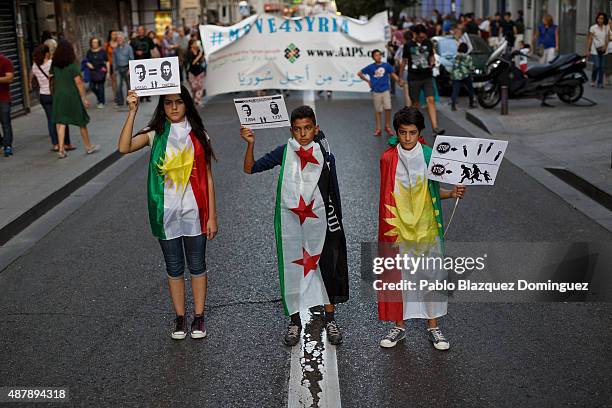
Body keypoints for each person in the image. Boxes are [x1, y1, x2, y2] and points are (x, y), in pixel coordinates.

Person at [239, 106, 349, 347]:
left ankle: (330, 318)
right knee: (293, 267)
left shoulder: (326, 156)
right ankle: (295, 321)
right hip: (292, 221)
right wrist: (250, 144)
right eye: (297, 129)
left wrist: (337, 222)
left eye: (307, 128)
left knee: (325, 265)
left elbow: (334, 191)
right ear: (291, 131)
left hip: (321, 220)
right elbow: (250, 168)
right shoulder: (284, 152)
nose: (303, 134)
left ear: (316, 129)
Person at [117, 87, 217, 340]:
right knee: (174, 268)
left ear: (187, 105)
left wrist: (212, 216)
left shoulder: (199, 134)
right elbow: (124, 147)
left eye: (179, 102)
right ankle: (180, 318)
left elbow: (208, 176)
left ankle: (199, 317)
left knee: (197, 265)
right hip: (166, 214)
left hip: (196, 213)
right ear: (162, 107)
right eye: (168, 103)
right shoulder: (155, 134)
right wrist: (132, 111)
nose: (173, 107)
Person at [377, 107, 465, 350]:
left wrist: (452, 193)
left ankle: (433, 327)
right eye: (403, 133)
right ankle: (399, 326)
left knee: (430, 276)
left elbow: (435, 192)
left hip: (426, 228)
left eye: (412, 133)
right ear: (396, 132)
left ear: (420, 133)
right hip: (398, 228)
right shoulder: (387, 158)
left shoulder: (430, 155)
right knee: (400, 276)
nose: (407, 138)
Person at [51, 40, 99, 158]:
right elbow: (78, 83)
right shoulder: (72, 66)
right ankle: (88, 146)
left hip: (59, 96)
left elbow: (51, 80)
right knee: (81, 121)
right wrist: (84, 98)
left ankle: (61, 150)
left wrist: (54, 93)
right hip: (72, 96)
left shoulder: (54, 65)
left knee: (61, 123)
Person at [399, 24, 445, 137]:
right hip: (413, 78)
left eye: (423, 37)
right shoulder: (408, 45)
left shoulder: (428, 43)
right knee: (415, 104)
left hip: (427, 77)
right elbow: (404, 62)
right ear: (414, 34)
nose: (422, 39)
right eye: (420, 37)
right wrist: (400, 78)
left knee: (431, 99)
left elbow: (431, 56)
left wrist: (432, 62)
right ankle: (415, 129)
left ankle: (435, 127)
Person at [30, 45, 73, 151]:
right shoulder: (52, 64)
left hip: (43, 95)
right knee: (62, 118)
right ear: (46, 53)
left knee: (51, 120)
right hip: (55, 94)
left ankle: (55, 144)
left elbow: (31, 77)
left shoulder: (35, 65)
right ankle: (66, 143)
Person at [358, 49, 402, 137]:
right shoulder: (371, 67)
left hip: (385, 89)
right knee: (378, 110)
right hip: (376, 91)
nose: (378, 57)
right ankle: (378, 128)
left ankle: (387, 126)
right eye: (376, 55)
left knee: (388, 108)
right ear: (373, 57)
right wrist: (368, 81)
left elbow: (392, 73)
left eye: (379, 55)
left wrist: (399, 81)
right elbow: (359, 73)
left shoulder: (386, 65)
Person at [131, 26, 155, 102]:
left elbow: (153, 49)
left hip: (147, 61)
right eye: (139, 30)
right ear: (137, 31)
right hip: (137, 62)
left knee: (147, 79)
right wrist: (136, 52)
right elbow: (131, 51)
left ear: (144, 31)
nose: (141, 31)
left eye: (142, 30)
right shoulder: (134, 40)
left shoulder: (149, 39)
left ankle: (148, 96)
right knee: (139, 79)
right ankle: (141, 95)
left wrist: (155, 59)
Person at [450, 42, 476, 111]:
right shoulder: (468, 57)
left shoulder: (455, 56)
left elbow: (453, 65)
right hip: (465, 74)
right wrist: (473, 69)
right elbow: (470, 67)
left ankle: (453, 105)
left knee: (455, 90)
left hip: (456, 75)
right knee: (470, 89)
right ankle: (471, 103)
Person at [587, 12, 609, 88]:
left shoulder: (606, 27)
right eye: (599, 18)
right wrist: (588, 50)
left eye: (602, 18)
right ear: (597, 19)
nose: (600, 20)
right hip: (594, 49)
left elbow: (607, 39)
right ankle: (593, 79)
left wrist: (605, 47)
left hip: (603, 49)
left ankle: (600, 83)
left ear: (604, 19)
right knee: (596, 66)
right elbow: (589, 39)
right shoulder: (593, 27)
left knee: (602, 67)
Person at [86, 37, 109, 108]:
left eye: (96, 42)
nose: (94, 43)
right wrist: (88, 64)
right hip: (93, 71)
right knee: (92, 87)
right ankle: (99, 97)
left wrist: (108, 72)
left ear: (98, 43)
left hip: (101, 70)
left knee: (100, 86)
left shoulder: (103, 51)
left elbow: (107, 61)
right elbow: (86, 61)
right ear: (91, 43)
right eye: (93, 42)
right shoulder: (89, 52)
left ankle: (101, 102)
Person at [112, 32, 134, 107]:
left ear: (124, 39)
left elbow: (132, 59)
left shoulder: (129, 48)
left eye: (121, 38)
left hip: (127, 68)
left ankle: (129, 101)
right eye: (118, 39)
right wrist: (114, 70)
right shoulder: (115, 49)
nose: (119, 40)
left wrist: (130, 69)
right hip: (118, 69)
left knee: (129, 86)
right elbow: (114, 60)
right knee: (118, 86)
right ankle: (120, 102)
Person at [0, 51, 14, 157]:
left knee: (5, 123)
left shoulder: (5, 61)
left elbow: (10, 78)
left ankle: (7, 146)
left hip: (3, 98)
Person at [185, 40, 206, 106]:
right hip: (192, 72)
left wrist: (202, 56)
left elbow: (201, 60)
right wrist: (199, 56)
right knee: (194, 88)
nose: (196, 44)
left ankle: (197, 100)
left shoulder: (199, 51)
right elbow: (192, 63)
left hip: (199, 71)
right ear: (191, 45)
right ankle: (195, 100)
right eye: (195, 43)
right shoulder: (189, 52)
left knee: (199, 87)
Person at [105, 30, 118, 105]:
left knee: (118, 81)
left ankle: (120, 94)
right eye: (113, 34)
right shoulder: (107, 45)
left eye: (115, 34)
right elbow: (105, 55)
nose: (114, 36)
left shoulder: (119, 43)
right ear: (110, 35)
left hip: (118, 64)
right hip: (111, 64)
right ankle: (115, 96)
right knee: (113, 81)